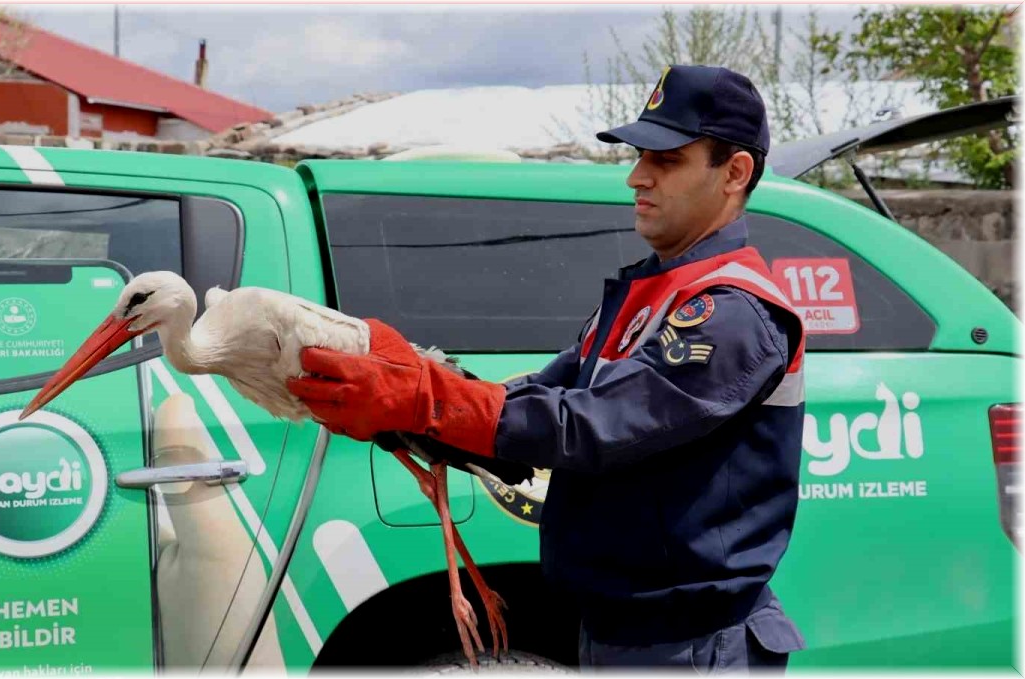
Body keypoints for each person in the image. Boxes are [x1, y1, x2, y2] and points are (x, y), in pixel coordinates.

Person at [287, 64, 808, 673]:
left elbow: (598, 424)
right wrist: (416, 414)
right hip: (625, 629)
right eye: (640, 156)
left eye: (666, 160)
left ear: (735, 172)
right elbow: (537, 395)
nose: (637, 177)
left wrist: (427, 399)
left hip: (691, 644)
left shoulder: (732, 309)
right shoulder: (652, 290)